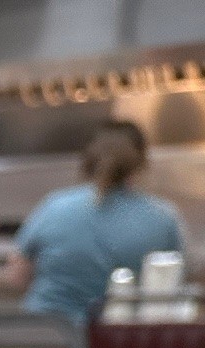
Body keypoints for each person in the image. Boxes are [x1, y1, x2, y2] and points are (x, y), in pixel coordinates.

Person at [10, 121, 185, 322]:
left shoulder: (54, 206)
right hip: (119, 343)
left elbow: (18, 275)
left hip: (51, 340)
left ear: (86, 160)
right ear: (141, 163)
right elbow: (172, 285)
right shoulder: (163, 218)